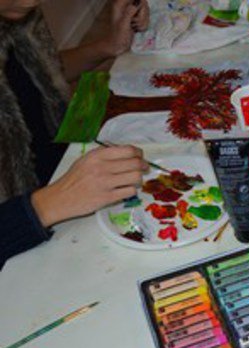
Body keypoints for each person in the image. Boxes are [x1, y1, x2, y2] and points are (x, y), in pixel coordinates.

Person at [0, 0, 150, 268]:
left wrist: (108, 46)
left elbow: (40, 74)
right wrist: (47, 204)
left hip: (62, 174)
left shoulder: (18, 12)